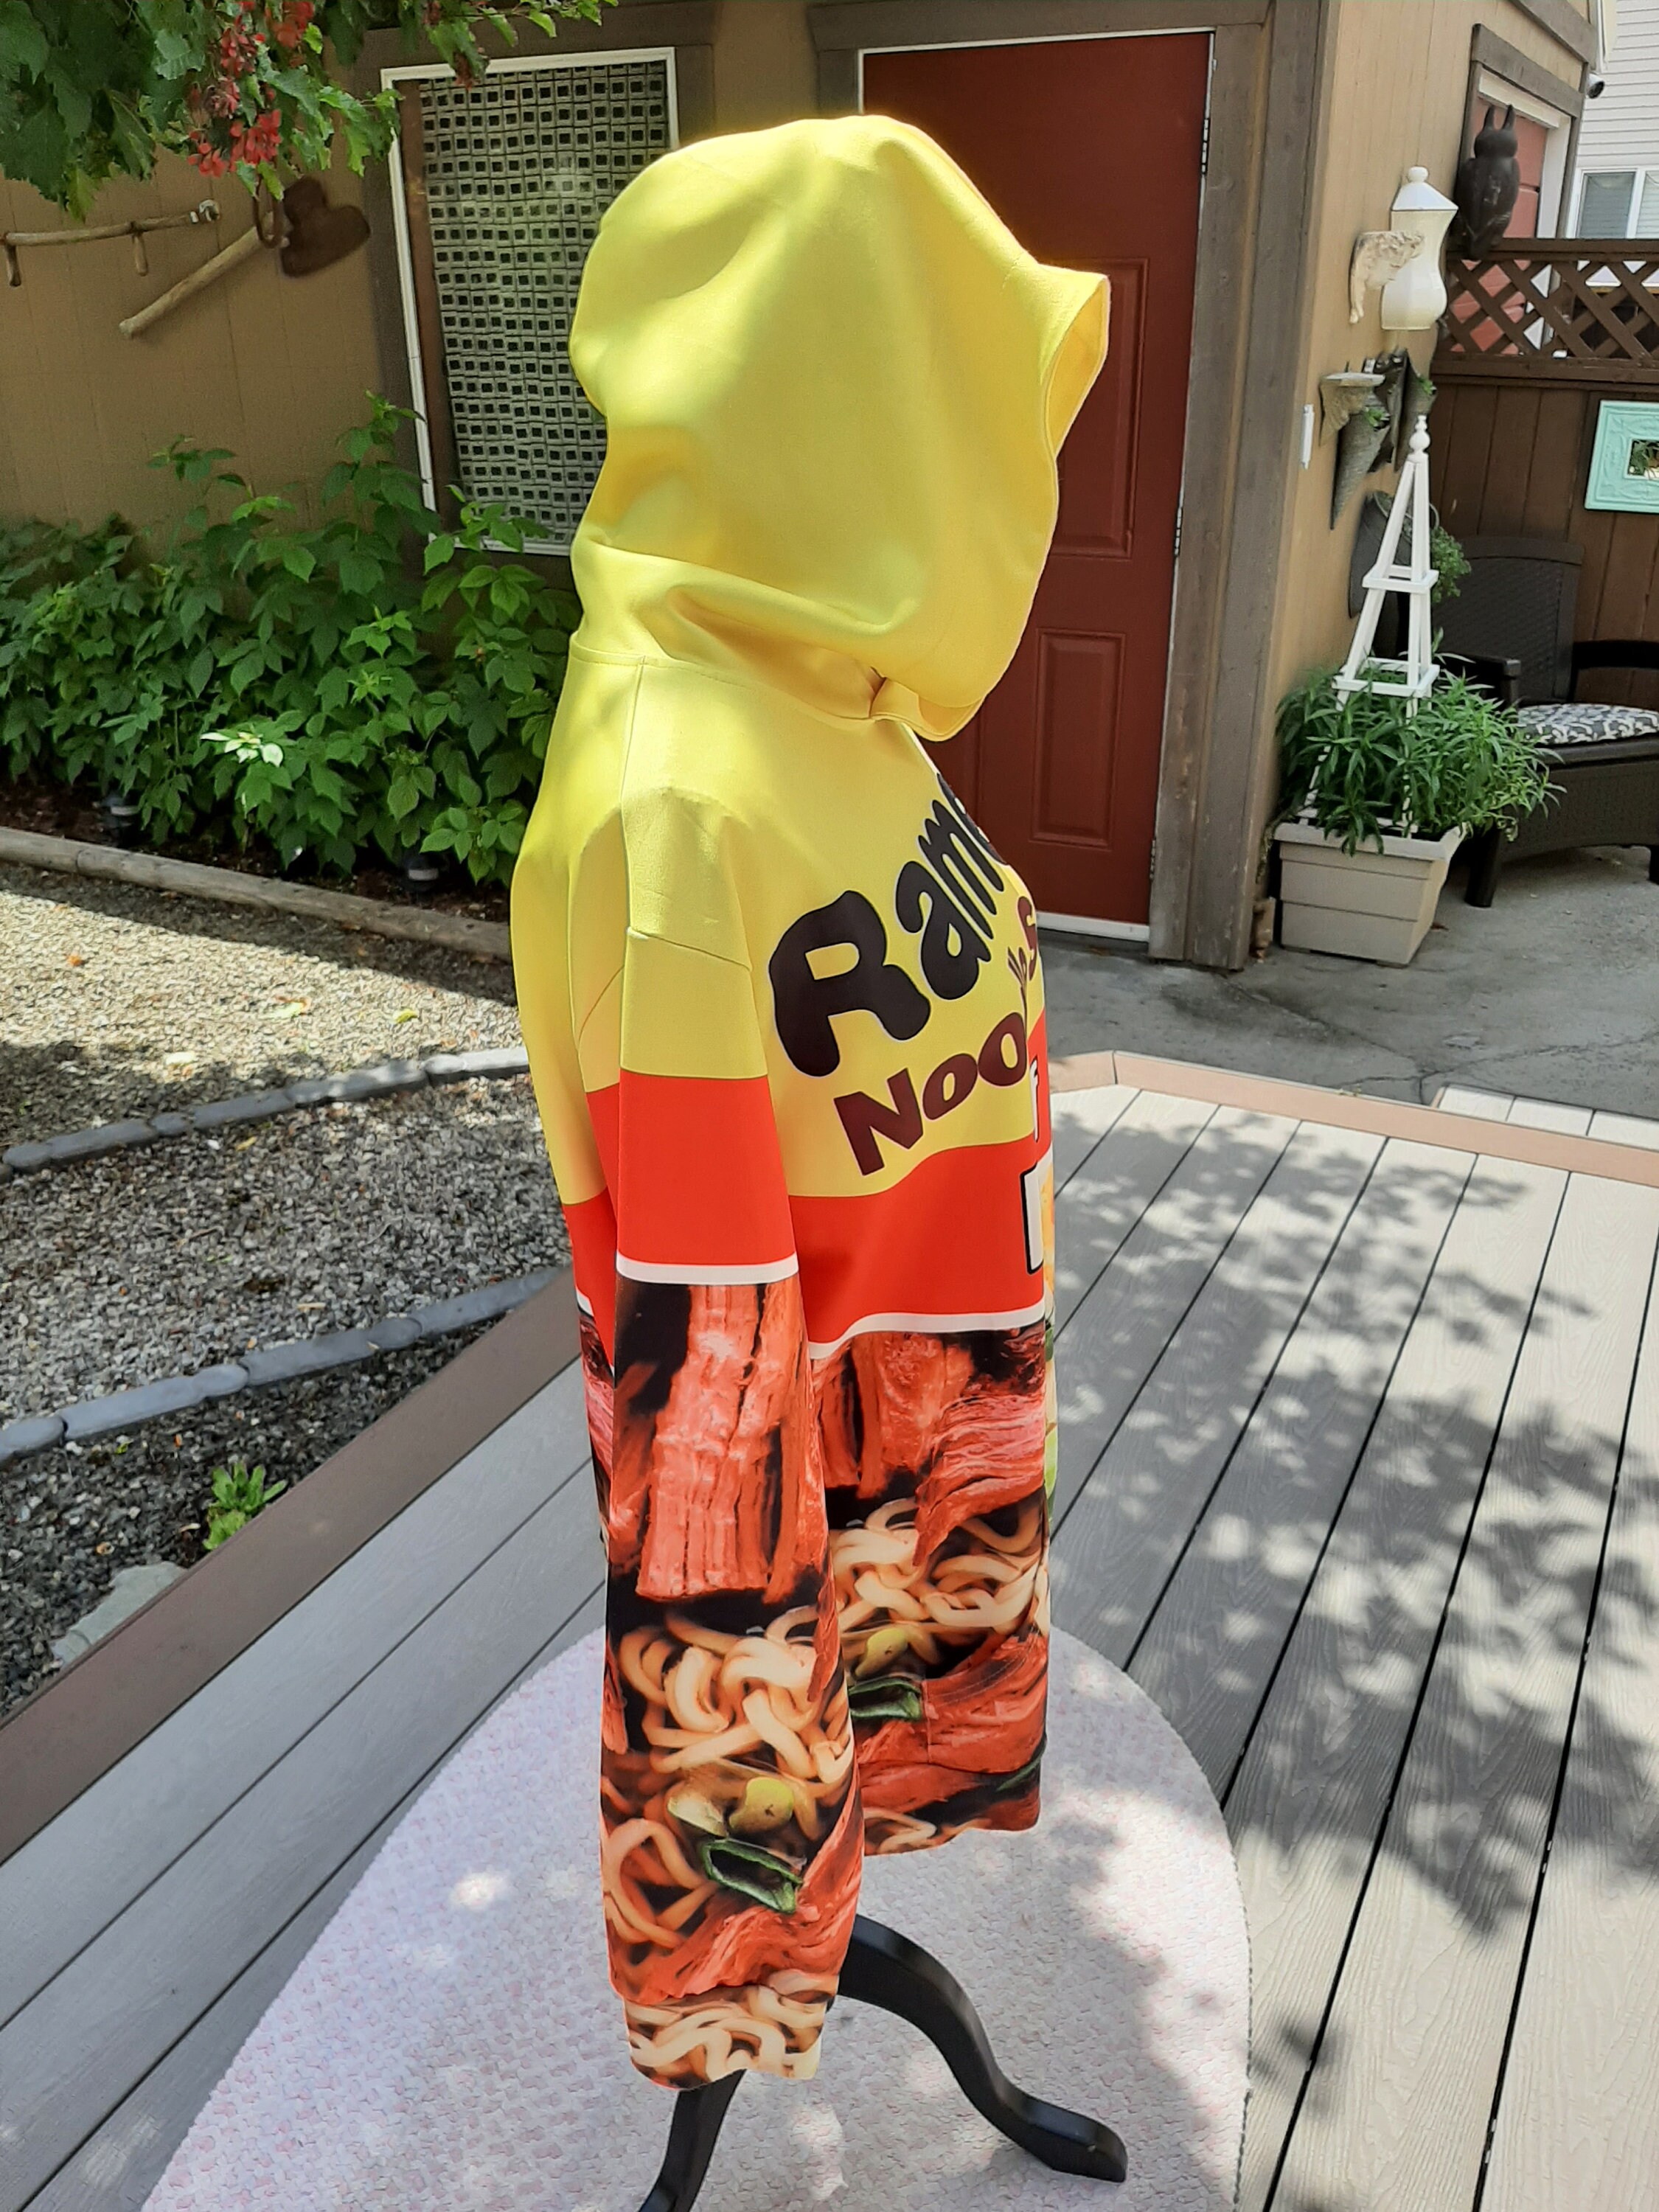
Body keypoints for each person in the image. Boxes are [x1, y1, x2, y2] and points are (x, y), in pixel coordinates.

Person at [512, 111, 1107, 2090]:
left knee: (910, 1749)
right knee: (783, 1835)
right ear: (831, 405)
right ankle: (764, 1994)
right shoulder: (675, 793)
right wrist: (743, 1823)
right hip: (809, 1456)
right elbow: (704, 1378)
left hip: (940, 1388)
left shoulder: (830, 682)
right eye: (940, 390)